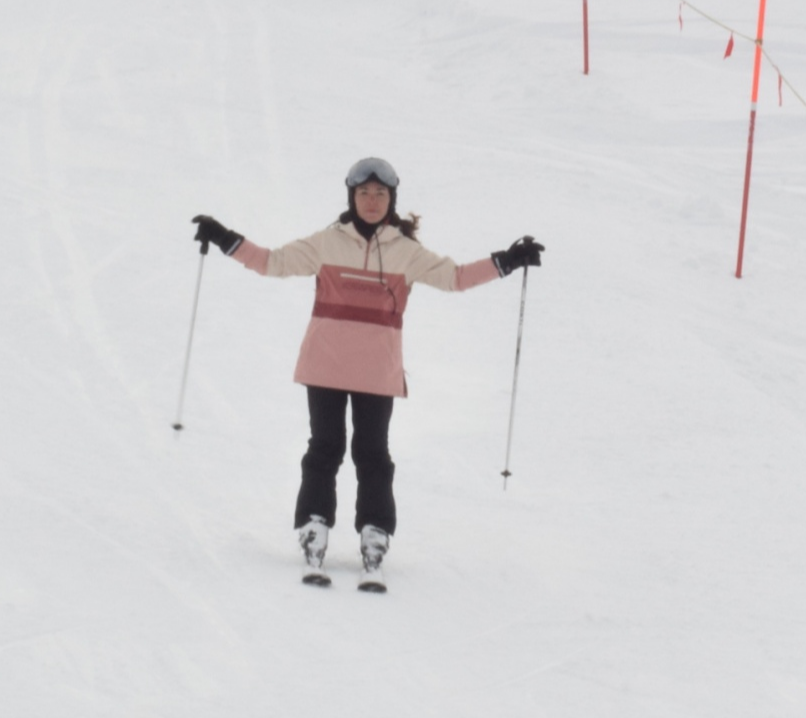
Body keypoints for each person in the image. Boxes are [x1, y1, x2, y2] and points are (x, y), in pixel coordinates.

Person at [191, 158, 545, 593]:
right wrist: (224, 237)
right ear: (351, 197)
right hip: (325, 364)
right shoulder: (327, 242)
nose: (372, 201)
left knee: (373, 454)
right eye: (364, 193)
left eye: (380, 194)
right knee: (324, 448)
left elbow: (455, 278)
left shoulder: (406, 252)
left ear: (391, 200)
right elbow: (272, 262)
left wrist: (507, 261)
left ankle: (374, 536)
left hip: (377, 371)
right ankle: (314, 529)